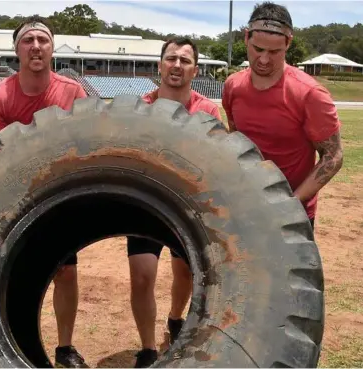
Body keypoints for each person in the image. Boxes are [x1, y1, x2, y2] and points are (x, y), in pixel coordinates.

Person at [0, 17, 88, 368]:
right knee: (17, 273)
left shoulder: (72, 91)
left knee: (66, 271)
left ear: (52, 48)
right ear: (17, 50)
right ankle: (15, 344)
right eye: (28, 40)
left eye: (43, 39)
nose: (36, 46)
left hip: (61, 196)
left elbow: (87, 141)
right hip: (17, 199)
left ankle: (65, 348)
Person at [128, 37, 222, 368]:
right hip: (146, 206)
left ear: (195, 70)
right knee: (141, 277)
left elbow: (216, 160)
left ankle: (175, 317)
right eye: (171, 59)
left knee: (184, 273)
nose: (176, 65)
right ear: (160, 65)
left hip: (188, 208)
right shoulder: (141, 107)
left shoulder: (208, 111)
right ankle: (148, 347)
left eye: (184, 60)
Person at [222, 1, 343, 232]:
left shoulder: (310, 94)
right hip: (244, 206)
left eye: (274, 52)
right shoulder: (232, 87)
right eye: (258, 49)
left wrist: (290, 204)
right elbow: (236, 142)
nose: (264, 60)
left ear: (288, 43)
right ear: (246, 38)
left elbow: (333, 156)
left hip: (293, 215)